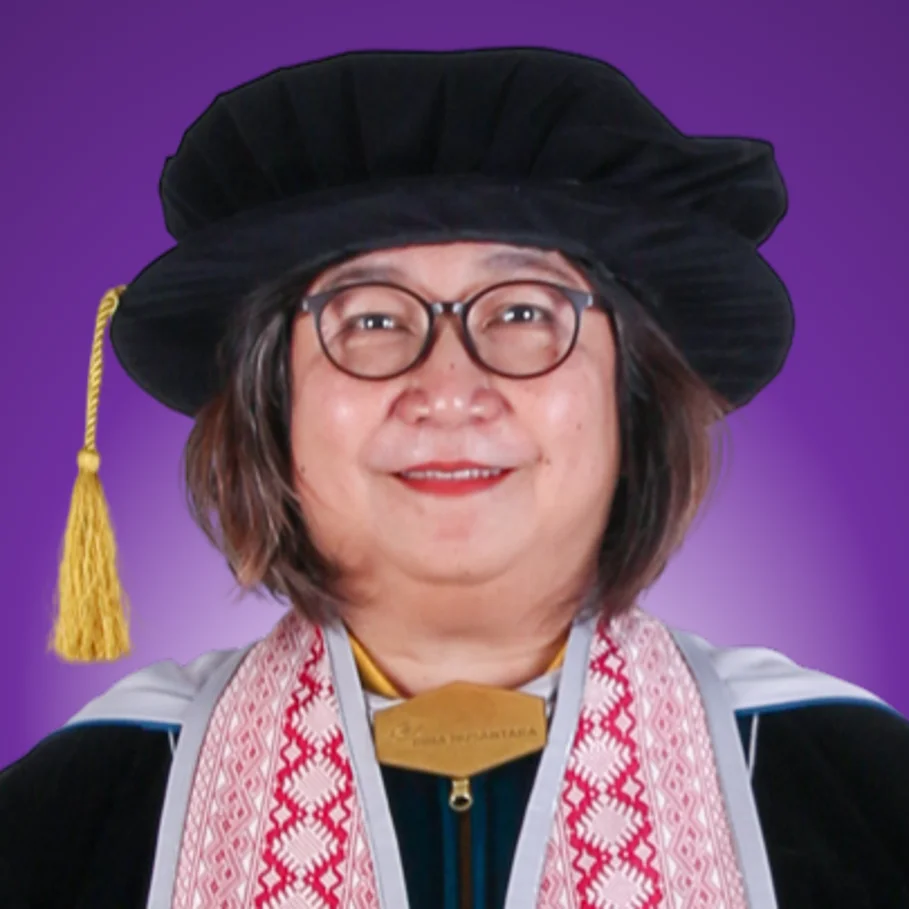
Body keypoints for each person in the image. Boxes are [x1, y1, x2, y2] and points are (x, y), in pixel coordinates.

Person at [0, 46, 906, 909]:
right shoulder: (70, 819)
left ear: (631, 396)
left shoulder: (859, 794)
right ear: (272, 405)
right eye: (369, 321)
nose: (446, 390)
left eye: (522, 312)